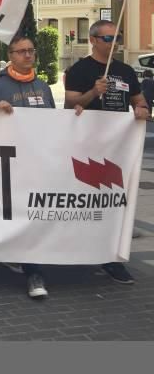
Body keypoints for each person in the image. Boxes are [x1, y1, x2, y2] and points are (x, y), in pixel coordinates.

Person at [65, 20, 149, 285]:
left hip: (119, 148)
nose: (115, 42)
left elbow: (139, 100)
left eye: (118, 37)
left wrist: (143, 109)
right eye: (108, 38)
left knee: (115, 204)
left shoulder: (125, 71)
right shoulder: (80, 69)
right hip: (88, 148)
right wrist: (93, 92)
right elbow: (71, 103)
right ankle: (80, 250)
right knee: (88, 204)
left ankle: (112, 258)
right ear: (93, 40)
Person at [0, 35, 54, 299]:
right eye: (21, 51)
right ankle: (25, 265)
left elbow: (56, 125)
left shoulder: (44, 88)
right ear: (10, 55)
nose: (27, 55)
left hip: (37, 163)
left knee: (33, 215)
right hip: (7, 165)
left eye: (31, 51)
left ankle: (33, 270)